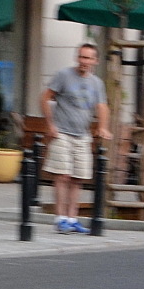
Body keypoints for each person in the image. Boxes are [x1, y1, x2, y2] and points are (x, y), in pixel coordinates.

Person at [40, 43, 110, 235]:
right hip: (62, 132)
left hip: (82, 135)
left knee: (78, 178)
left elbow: (102, 106)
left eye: (88, 58)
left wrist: (103, 127)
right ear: (77, 58)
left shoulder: (97, 83)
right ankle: (60, 218)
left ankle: (72, 218)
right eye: (81, 57)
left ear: (95, 61)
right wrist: (50, 124)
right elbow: (45, 97)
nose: (84, 62)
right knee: (62, 175)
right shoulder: (64, 75)